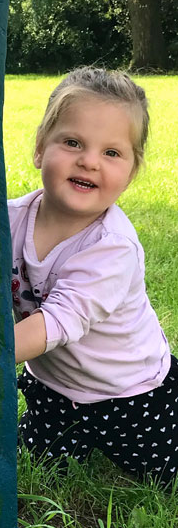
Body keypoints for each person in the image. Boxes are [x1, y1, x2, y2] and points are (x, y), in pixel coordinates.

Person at [11, 66, 177, 486]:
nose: (89, 161)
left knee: (165, 475)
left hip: (131, 393)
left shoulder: (112, 246)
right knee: (39, 462)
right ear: (39, 149)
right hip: (54, 387)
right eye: (72, 142)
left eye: (112, 153)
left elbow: (56, 323)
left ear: (131, 172)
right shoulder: (5, 221)